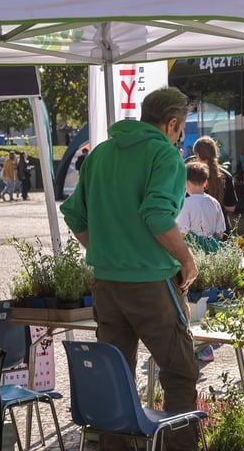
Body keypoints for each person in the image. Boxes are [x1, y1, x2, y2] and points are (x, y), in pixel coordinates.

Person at [60, 86, 199, 451]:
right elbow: (156, 215)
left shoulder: (101, 152)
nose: (180, 136)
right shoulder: (165, 155)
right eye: (181, 129)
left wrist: (105, 249)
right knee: (181, 372)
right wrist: (187, 259)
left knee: (114, 375)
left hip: (106, 283)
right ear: (173, 124)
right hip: (150, 282)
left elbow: (73, 212)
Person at [189, 136, 238, 231]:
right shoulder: (226, 176)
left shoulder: (193, 176)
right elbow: (231, 207)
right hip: (222, 229)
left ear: (198, 155)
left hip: (198, 230)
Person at [177, 161, 226, 251]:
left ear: (186, 182)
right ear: (205, 183)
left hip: (194, 252)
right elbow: (220, 234)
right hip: (213, 251)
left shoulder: (185, 203)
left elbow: (182, 232)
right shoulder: (215, 202)